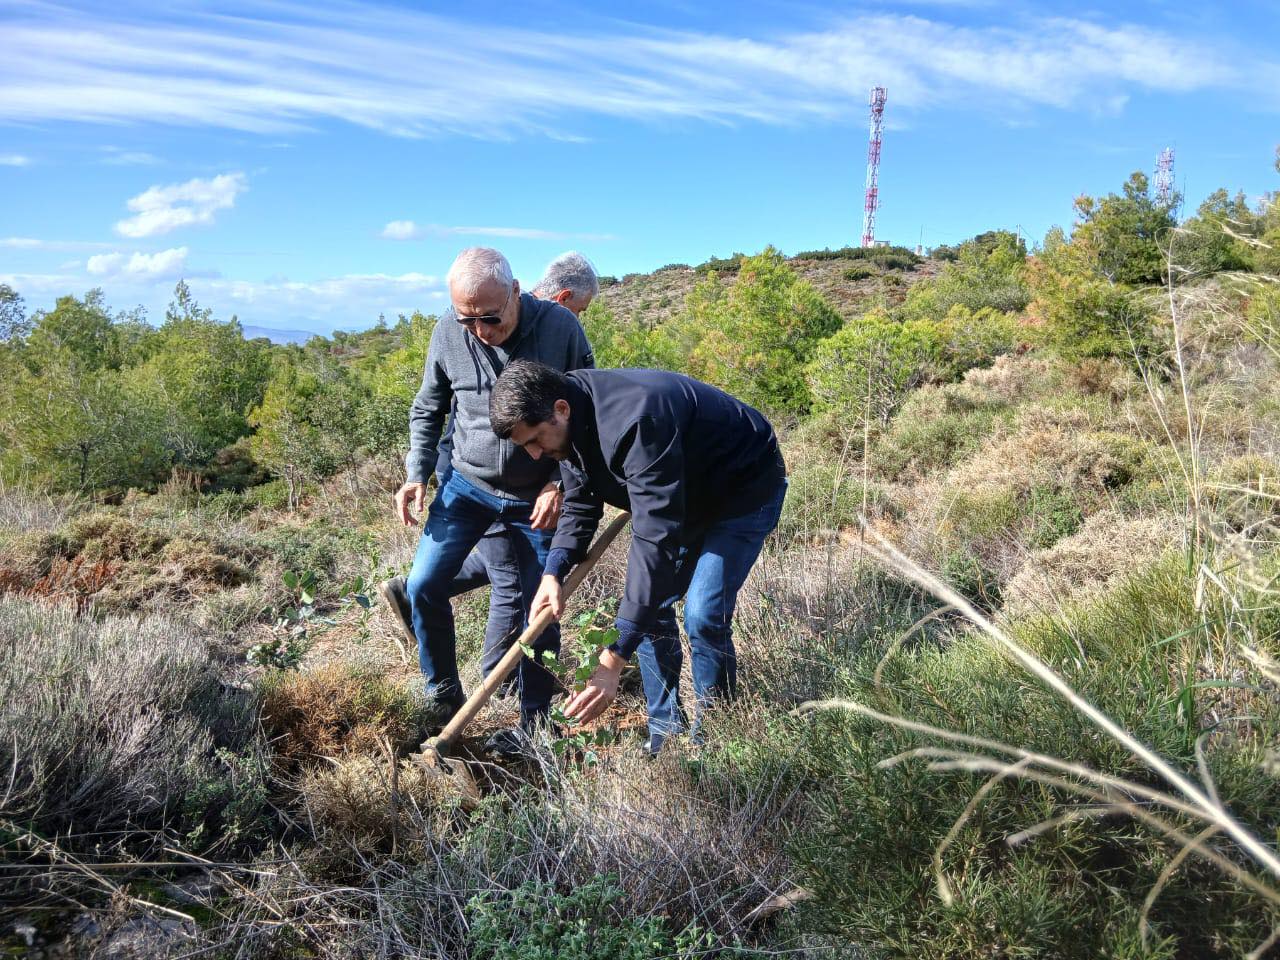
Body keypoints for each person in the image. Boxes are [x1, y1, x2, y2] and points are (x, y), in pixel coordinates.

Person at [488, 360, 787, 753]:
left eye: (535, 439)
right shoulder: (568, 417)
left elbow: (655, 540)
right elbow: (580, 502)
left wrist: (614, 660)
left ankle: (716, 741)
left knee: (703, 615)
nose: (534, 454)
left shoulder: (636, 420)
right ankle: (665, 735)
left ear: (561, 409)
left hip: (742, 491)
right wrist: (553, 571)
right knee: (650, 609)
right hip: (685, 495)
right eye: (525, 445)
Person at [386, 249, 594, 735]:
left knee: (539, 611)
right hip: (467, 485)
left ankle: (534, 726)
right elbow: (429, 407)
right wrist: (417, 472)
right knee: (423, 585)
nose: (480, 330)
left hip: (535, 495)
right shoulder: (447, 332)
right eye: (468, 319)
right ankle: (442, 695)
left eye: (491, 318)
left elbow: (586, 407)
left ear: (516, 291)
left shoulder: (561, 328)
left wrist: (559, 481)